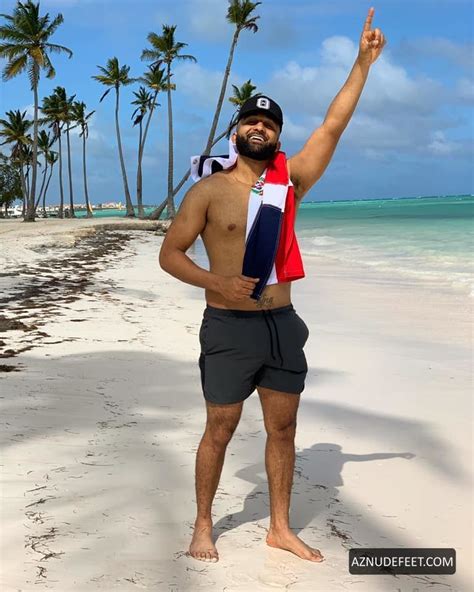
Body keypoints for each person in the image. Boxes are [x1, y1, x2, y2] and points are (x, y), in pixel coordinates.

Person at [159, 7, 386, 564]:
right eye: (251, 121)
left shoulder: (292, 182)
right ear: (236, 131)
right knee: (220, 428)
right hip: (229, 326)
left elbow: (332, 127)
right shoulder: (208, 192)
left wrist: (362, 64)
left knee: (283, 428)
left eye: (270, 124)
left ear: (277, 135)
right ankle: (203, 525)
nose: (259, 128)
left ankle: (279, 528)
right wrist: (217, 282)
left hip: (282, 324)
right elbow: (170, 254)